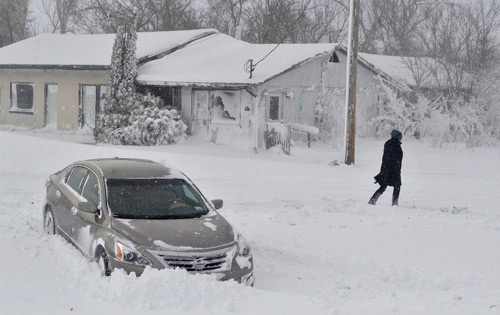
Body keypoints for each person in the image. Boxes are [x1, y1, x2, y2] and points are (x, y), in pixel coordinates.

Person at [369, 129, 403, 206]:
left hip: (386, 169)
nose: (401, 138)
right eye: (400, 136)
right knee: (397, 186)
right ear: (397, 136)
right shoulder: (395, 145)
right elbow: (394, 158)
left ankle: (372, 200)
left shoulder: (390, 144)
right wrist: (395, 168)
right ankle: (394, 203)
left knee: (384, 186)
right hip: (393, 170)